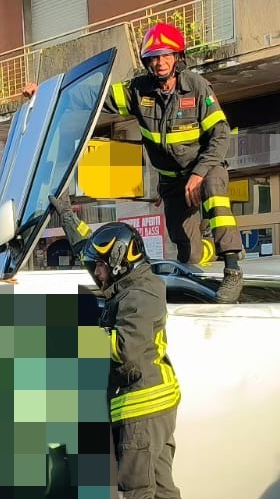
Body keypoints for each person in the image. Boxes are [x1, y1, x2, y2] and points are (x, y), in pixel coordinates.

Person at [23, 22, 246, 303]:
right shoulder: (138, 91)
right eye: (154, 57)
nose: (161, 62)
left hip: (203, 167)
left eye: (166, 55)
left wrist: (199, 173)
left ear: (178, 57)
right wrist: (45, 93)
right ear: (147, 62)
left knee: (215, 188)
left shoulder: (197, 88)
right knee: (187, 253)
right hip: (171, 182)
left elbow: (220, 134)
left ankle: (233, 268)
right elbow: (93, 96)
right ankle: (199, 284)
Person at [78, 222, 192, 499]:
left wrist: (81, 339)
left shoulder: (138, 296)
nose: (97, 273)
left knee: (135, 491)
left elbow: (125, 350)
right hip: (158, 400)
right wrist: (68, 220)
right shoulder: (138, 285)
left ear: (120, 260)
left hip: (139, 404)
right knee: (161, 484)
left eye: (102, 266)